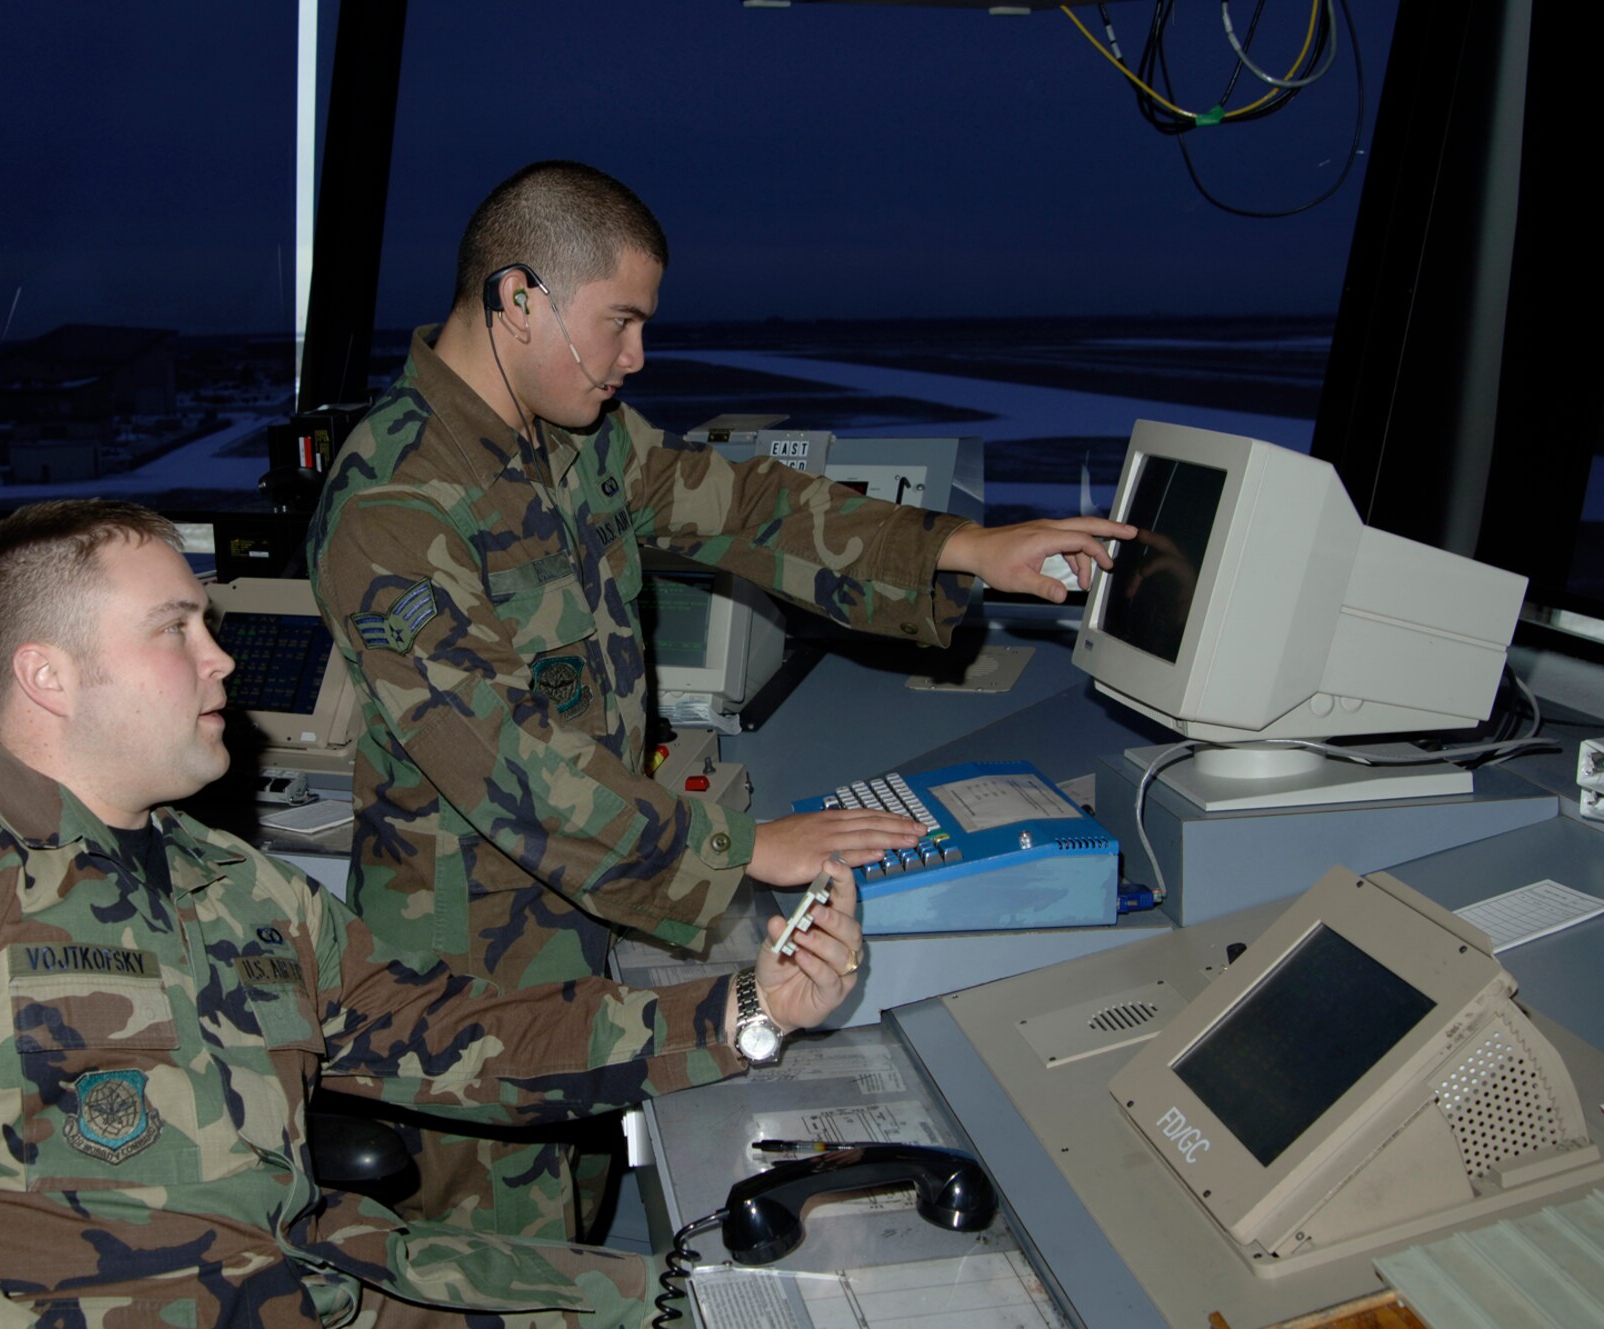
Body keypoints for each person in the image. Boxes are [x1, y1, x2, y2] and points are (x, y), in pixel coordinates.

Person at [0, 499, 865, 1328]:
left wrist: (752, 1004)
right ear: (48, 676)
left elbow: (458, 1037)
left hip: (323, 1278)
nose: (222, 662)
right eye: (176, 630)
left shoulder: (234, 884)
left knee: (740, 1303)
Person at [306, 160, 1133, 1241]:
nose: (634, 358)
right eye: (618, 323)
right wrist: (743, 845)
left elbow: (742, 506)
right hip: (471, 964)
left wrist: (965, 548)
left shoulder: (570, 441)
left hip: (578, 919)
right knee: (508, 1264)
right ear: (519, 300)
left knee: (583, 1213)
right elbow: (510, 770)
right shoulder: (395, 503)